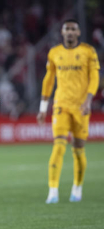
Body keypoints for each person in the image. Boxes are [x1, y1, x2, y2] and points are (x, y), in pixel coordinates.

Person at [37, 19, 100, 204]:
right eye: (67, 29)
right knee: (58, 145)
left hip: (81, 107)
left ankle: (77, 187)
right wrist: (42, 108)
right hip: (61, 105)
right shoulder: (55, 53)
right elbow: (48, 80)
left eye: (73, 29)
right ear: (63, 33)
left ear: (78, 33)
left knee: (79, 149)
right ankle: (53, 190)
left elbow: (95, 76)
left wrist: (89, 100)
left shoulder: (88, 52)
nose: (70, 32)